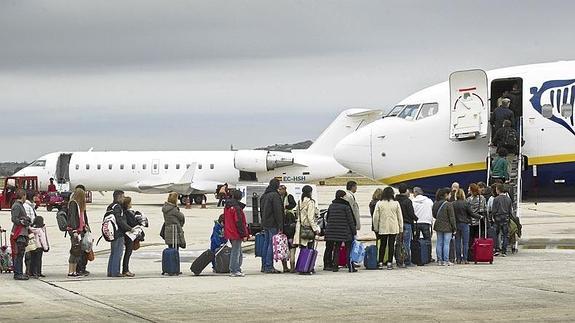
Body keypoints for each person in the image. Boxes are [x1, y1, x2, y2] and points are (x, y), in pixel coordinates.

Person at [324, 190, 357, 272]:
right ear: (342, 197)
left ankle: (335, 266)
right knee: (349, 248)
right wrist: (354, 231)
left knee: (337, 249)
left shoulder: (331, 206)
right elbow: (351, 220)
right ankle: (350, 267)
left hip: (335, 231)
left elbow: (328, 218)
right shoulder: (346, 206)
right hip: (345, 231)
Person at [373, 187, 403, 270]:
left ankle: (380, 262)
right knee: (391, 245)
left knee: (382, 245)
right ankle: (390, 262)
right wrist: (401, 228)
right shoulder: (396, 203)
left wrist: (376, 227)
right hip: (393, 227)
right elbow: (400, 217)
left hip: (383, 227)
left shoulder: (379, 203)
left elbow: (376, 217)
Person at [259, 178, 284, 274]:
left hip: (265, 223)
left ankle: (264, 265)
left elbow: (261, 210)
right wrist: (280, 225)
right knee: (271, 244)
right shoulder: (275, 196)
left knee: (266, 243)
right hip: (273, 223)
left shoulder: (264, 195)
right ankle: (269, 265)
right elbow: (278, 211)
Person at [107, 190, 133, 278]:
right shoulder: (118, 207)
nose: (123, 198)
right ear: (119, 197)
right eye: (122, 197)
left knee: (113, 252)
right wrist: (129, 228)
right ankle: (115, 272)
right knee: (118, 252)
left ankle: (110, 271)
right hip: (118, 233)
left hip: (111, 232)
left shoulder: (110, 206)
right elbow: (119, 220)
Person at [223, 190, 250, 277]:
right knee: (236, 251)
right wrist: (244, 234)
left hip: (230, 231)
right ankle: (234, 269)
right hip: (236, 233)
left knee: (237, 251)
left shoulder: (227, 207)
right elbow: (239, 222)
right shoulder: (236, 208)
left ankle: (236, 268)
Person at [453, 189, 482, 264]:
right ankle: (465, 259)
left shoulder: (453, 204)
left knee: (457, 242)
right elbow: (471, 213)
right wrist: (479, 216)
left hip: (456, 224)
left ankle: (458, 259)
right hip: (465, 224)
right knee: (465, 242)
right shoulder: (466, 203)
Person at [66, 187, 89, 277]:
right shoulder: (73, 204)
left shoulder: (79, 205)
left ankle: (74, 270)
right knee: (74, 251)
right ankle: (71, 271)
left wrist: (85, 225)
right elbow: (72, 218)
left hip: (80, 230)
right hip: (75, 231)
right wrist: (74, 230)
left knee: (78, 251)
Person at [294, 185, 320, 261]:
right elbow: (310, 217)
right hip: (308, 228)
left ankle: (302, 266)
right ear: (310, 192)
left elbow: (298, 214)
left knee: (303, 248)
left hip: (300, 227)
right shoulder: (310, 202)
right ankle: (308, 266)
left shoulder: (300, 202)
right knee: (310, 248)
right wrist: (315, 229)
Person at [432, 188, 456, 266]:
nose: (450, 196)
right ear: (446, 194)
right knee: (446, 243)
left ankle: (439, 260)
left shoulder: (435, 203)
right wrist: (454, 227)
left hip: (438, 225)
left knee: (439, 243)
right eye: (449, 194)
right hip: (447, 226)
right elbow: (452, 217)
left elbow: (434, 215)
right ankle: (446, 260)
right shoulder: (448, 204)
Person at [10, 189, 31, 280]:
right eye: (25, 195)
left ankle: (19, 272)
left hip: (22, 232)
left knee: (20, 253)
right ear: (23, 195)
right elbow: (14, 219)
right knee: (19, 254)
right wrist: (23, 221)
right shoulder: (17, 206)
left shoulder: (20, 205)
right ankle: (18, 273)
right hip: (19, 233)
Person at [396, 184, 417, 267]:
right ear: (406, 191)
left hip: (398, 224)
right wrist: (416, 218)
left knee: (399, 242)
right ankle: (407, 261)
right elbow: (411, 213)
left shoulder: (395, 200)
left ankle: (399, 260)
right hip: (407, 223)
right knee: (406, 243)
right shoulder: (407, 201)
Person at [411, 187, 434, 262]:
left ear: (415, 193)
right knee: (428, 240)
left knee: (415, 240)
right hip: (426, 222)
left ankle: (416, 256)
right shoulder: (429, 201)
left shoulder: (412, 201)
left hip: (416, 223)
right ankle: (428, 256)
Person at [278, 185, 297, 273]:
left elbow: (293, 204)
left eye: (282, 189)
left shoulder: (289, 196)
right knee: (285, 248)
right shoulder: (278, 197)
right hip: (286, 225)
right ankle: (286, 267)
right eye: (280, 189)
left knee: (288, 247)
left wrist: (286, 207)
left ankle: (292, 267)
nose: (281, 191)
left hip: (287, 220)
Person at [491, 184, 513, 257]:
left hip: (497, 218)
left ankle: (497, 249)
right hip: (506, 218)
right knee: (505, 235)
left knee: (496, 234)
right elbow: (510, 211)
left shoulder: (496, 199)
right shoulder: (508, 199)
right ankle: (504, 251)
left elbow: (493, 210)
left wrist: (492, 217)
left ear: (498, 190)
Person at [467, 183, 487, 261]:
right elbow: (485, 209)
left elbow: (468, 211)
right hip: (480, 221)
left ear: (471, 190)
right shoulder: (482, 198)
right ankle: (478, 253)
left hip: (471, 222)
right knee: (478, 238)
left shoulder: (468, 199)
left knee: (470, 239)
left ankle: (470, 255)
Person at [121, 196, 138, 277]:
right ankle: (125, 270)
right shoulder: (127, 213)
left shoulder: (125, 212)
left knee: (128, 253)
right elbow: (132, 223)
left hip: (127, 235)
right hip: (129, 235)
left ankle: (125, 269)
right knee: (128, 252)